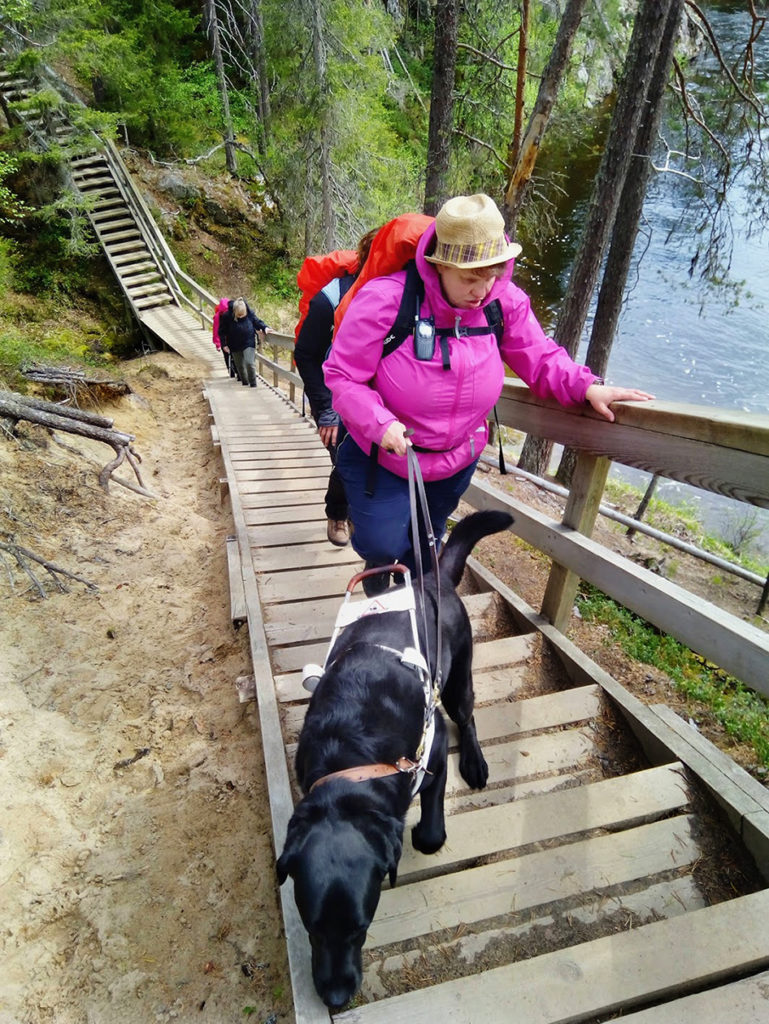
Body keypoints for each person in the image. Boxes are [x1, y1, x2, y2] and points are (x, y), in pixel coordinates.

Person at [324, 193, 654, 596]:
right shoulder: (384, 301)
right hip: (387, 457)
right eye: (469, 277)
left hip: (454, 461)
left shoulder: (503, 303)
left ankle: (416, 612)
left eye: (493, 273)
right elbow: (342, 376)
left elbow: (540, 357)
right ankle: (382, 581)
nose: (483, 289)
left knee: (425, 547)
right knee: (384, 544)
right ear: (439, 264)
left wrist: (587, 386)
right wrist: (380, 424)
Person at [294, 230, 377, 547]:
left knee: (370, 460)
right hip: (332, 397)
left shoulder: (399, 291)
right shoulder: (331, 296)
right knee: (345, 459)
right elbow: (305, 353)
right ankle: (339, 513)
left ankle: (358, 512)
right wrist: (326, 410)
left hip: (372, 397)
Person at [218, 297, 270, 388]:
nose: (241, 317)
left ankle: (253, 383)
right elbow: (221, 332)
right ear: (234, 312)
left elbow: (257, 322)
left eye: (243, 315)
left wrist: (265, 328)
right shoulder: (227, 317)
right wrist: (224, 345)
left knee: (249, 363)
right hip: (234, 344)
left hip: (248, 342)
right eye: (239, 315)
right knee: (240, 367)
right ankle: (245, 382)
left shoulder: (250, 314)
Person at [212, 297, 240, 379]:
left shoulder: (233, 314)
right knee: (226, 355)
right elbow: (216, 330)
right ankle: (230, 372)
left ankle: (238, 372)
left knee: (235, 355)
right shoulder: (218, 317)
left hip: (233, 338)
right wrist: (218, 343)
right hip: (223, 339)